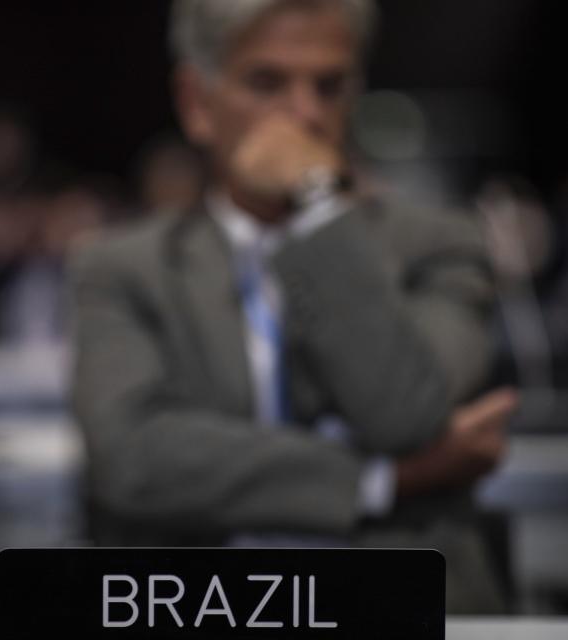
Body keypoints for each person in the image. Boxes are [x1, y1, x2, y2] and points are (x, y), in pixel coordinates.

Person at [70, 0, 516, 613]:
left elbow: (404, 415)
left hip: (395, 603)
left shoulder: (442, 245)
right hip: (196, 604)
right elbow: (134, 461)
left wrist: (320, 210)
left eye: (329, 86)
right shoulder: (124, 269)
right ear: (197, 103)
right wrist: (383, 479)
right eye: (267, 82)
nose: (305, 113)